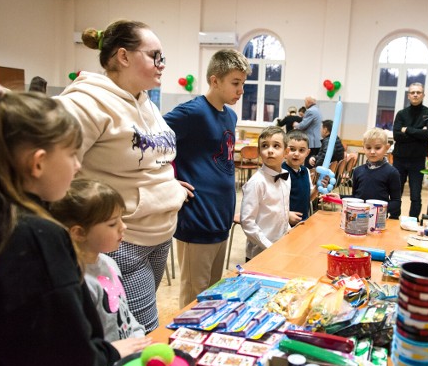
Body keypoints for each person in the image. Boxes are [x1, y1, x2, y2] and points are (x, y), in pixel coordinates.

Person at [0, 82, 121, 366]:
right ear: (38, 162)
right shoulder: (35, 237)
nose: (78, 166)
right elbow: (69, 364)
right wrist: (108, 357)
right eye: (71, 154)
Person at [56, 20, 187, 332]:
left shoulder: (145, 101)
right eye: (155, 56)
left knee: (127, 325)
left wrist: (169, 186)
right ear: (123, 56)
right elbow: (52, 172)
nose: (162, 65)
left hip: (160, 233)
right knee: (142, 330)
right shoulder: (85, 102)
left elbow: (153, 157)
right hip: (123, 239)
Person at [164, 49, 251, 307]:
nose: (241, 90)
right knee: (194, 297)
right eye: (235, 83)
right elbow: (151, 140)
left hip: (220, 218)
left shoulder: (230, 115)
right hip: (198, 219)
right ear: (215, 80)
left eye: (243, 84)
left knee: (212, 295)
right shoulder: (193, 112)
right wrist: (165, 180)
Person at [50, 178, 151, 350]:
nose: (123, 227)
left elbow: (123, 311)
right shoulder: (80, 282)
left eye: (121, 219)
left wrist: (138, 337)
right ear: (79, 233)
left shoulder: (109, 262)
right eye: (112, 223)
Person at [326, 127, 401, 219]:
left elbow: (396, 202)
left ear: (387, 148)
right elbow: (356, 197)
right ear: (363, 147)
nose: (372, 152)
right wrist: (340, 197)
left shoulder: (392, 172)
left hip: (378, 219)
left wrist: (376, 209)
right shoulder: (358, 171)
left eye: (377, 148)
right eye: (368, 148)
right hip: (358, 217)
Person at [241, 126, 291, 260]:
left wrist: (290, 231)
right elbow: (247, 222)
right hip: (260, 252)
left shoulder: (287, 177)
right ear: (259, 151)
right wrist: (269, 247)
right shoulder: (257, 182)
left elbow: (283, 211)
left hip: (281, 247)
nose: (270, 151)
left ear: (286, 152)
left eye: (276, 146)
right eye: (264, 146)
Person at [392, 83, 428, 219]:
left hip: (417, 160)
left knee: (415, 195)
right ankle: (393, 218)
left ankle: (412, 220)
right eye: (412, 92)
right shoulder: (401, 114)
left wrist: (407, 130)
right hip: (399, 159)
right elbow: (396, 135)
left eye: (418, 92)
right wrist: (418, 132)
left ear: (423, 95)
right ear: (408, 95)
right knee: (395, 193)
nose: (415, 95)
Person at [282, 130, 313, 226]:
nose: (296, 154)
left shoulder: (306, 171)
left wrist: (317, 189)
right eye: (292, 149)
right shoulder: (281, 172)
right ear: (285, 150)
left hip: (303, 222)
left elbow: (309, 197)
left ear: (307, 153)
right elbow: (273, 203)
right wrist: (286, 215)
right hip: (285, 224)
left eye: (301, 150)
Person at [294, 96, 322, 168]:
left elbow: (302, 125)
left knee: (308, 164)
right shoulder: (317, 110)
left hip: (311, 141)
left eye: (305, 102)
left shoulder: (310, 111)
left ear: (308, 102)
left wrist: (296, 124)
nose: (305, 104)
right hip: (316, 141)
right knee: (313, 163)